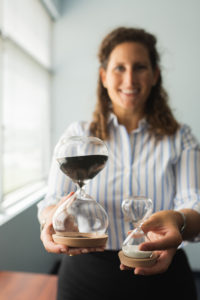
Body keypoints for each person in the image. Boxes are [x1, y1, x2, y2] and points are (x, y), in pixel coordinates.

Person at [38, 27, 200, 300]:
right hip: (85, 276)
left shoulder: (179, 137)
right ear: (103, 76)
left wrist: (178, 219)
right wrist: (51, 222)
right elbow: (51, 202)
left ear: (155, 75)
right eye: (119, 68)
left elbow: (195, 206)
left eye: (140, 67)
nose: (129, 79)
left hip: (161, 270)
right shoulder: (78, 135)